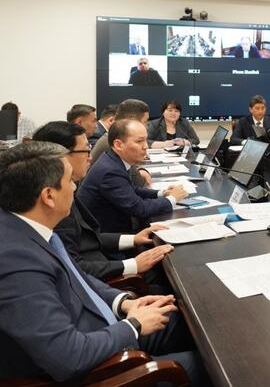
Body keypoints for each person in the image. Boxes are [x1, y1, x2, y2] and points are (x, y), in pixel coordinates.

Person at [0, 142, 203, 383]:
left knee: (195, 323)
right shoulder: (17, 263)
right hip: (96, 368)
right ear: (49, 196)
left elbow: (77, 278)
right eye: (69, 181)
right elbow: (69, 357)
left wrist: (123, 303)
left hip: (105, 327)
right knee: (209, 367)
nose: (75, 187)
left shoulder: (27, 228)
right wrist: (134, 326)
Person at [33, 122, 173, 287]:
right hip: (103, 278)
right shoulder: (53, 204)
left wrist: (134, 239)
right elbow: (73, 268)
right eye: (86, 150)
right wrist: (133, 264)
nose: (90, 157)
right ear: (60, 156)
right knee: (169, 280)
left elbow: (90, 237)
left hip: (104, 258)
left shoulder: (68, 188)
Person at [78, 119, 188, 234]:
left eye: (145, 140)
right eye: (139, 141)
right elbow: (139, 209)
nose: (146, 146)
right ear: (118, 144)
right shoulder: (110, 171)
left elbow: (131, 189)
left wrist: (162, 193)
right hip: (107, 236)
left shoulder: (113, 159)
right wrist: (172, 199)